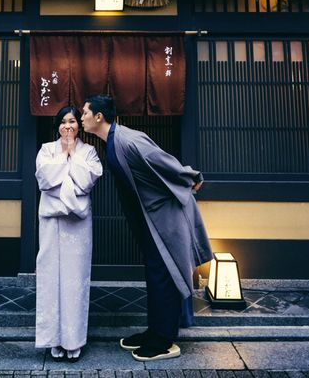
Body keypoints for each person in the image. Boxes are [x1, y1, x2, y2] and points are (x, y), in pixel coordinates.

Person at [81, 94, 213, 362]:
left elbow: (160, 158)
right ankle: (155, 331)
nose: (81, 117)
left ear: (98, 117)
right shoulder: (112, 142)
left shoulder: (128, 139)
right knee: (156, 275)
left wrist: (190, 176)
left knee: (165, 276)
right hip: (150, 219)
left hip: (165, 216)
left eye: (84, 113)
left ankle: (164, 340)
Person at [35, 104, 103, 361]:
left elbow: (87, 182)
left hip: (78, 227)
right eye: (63, 121)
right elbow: (43, 180)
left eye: (73, 121)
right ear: (57, 125)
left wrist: (72, 156)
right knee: (51, 277)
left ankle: (73, 340)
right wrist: (67, 166)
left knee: (75, 280)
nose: (67, 126)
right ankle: (53, 338)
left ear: (79, 125)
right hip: (52, 224)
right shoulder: (46, 150)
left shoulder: (89, 152)